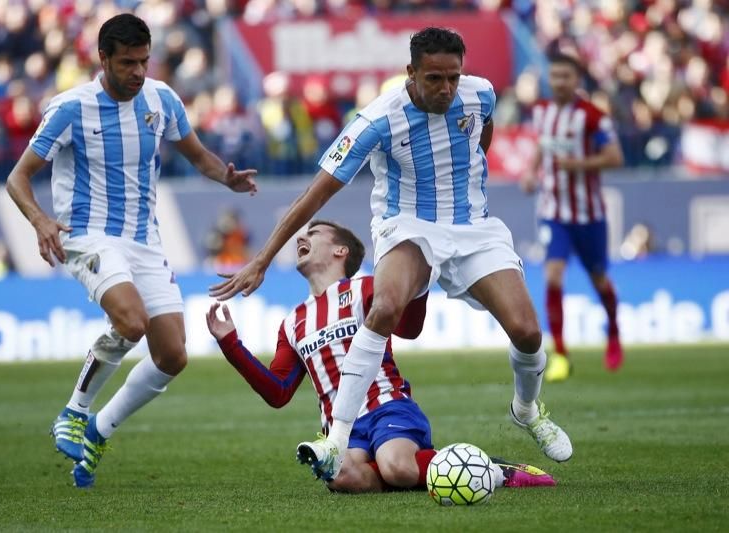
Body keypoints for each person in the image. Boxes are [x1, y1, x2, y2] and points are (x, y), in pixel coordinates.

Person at [209, 27, 572, 483]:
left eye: (452, 78)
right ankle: (336, 439)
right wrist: (261, 260)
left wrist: (468, 175)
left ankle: (526, 409)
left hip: (473, 227)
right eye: (434, 78)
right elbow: (313, 196)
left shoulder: (481, 95)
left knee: (526, 330)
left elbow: (483, 131)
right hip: (408, 226)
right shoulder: (376, 120)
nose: (445, 88)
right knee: (382, 308)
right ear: (411, 73)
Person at [4, 13, 257, 488]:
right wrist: (40, 220)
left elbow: (197, 154)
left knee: (173, 355)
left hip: (144, 238)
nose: (138, 71)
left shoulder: (162, 99)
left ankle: (100, 428)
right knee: (131, 322)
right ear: (103, 59)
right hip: (88, 233)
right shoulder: (70, 108)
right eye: (127, 63)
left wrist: (228, 177)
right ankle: (75, 411)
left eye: (143, 60)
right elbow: (18, 176)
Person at [206, 220, 556, 492]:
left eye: (314, 233)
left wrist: (419, 280)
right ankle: (439, 469)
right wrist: (230, 344)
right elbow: (278, 391)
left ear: (341, 250)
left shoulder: (368, 287)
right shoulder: (292, 322)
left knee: (397, 467)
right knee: (341, 478)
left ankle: (490, 470)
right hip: (342, 431)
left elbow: (409, 328)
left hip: (387, 405)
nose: (302, 237)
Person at [520, 52, 625, 382]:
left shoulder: (592, 117)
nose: (560, 82)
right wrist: (531, 170)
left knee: (599, 280)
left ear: (577, 79)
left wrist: (579, 165)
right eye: (555, 76)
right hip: (554, 213)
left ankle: (613, 332)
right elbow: (542, 145)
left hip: (589, 215)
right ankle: (561, 354)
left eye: (566, 76)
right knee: (552, 275)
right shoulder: (542, 111)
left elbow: (615, 157)